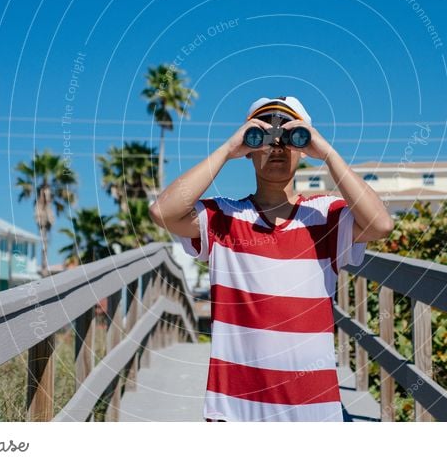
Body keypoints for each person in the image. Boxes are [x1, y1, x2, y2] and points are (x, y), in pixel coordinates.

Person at [148, 95, 394, 421]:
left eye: (289, 137)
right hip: (235, 410)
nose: (276, 146)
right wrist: (225, 150)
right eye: (262, 136)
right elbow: (162, 211)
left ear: (303, 149)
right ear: (248, 150)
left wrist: (328, 153)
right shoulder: (223, 216)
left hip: (313, 410)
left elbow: (381, 224)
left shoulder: (325, 216)